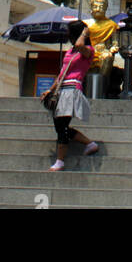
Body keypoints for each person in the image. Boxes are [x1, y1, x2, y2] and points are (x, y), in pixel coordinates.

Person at [41, 20, 100, 171]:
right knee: (60, 126)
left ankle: (60, 160)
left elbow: (81, 45)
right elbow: (61, 74)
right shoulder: (70, 52)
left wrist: (84, 33)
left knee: (62, 126)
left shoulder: (88, 50)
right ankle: (89, 143)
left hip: (73, 89)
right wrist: (51, 90)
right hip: (62, 90)